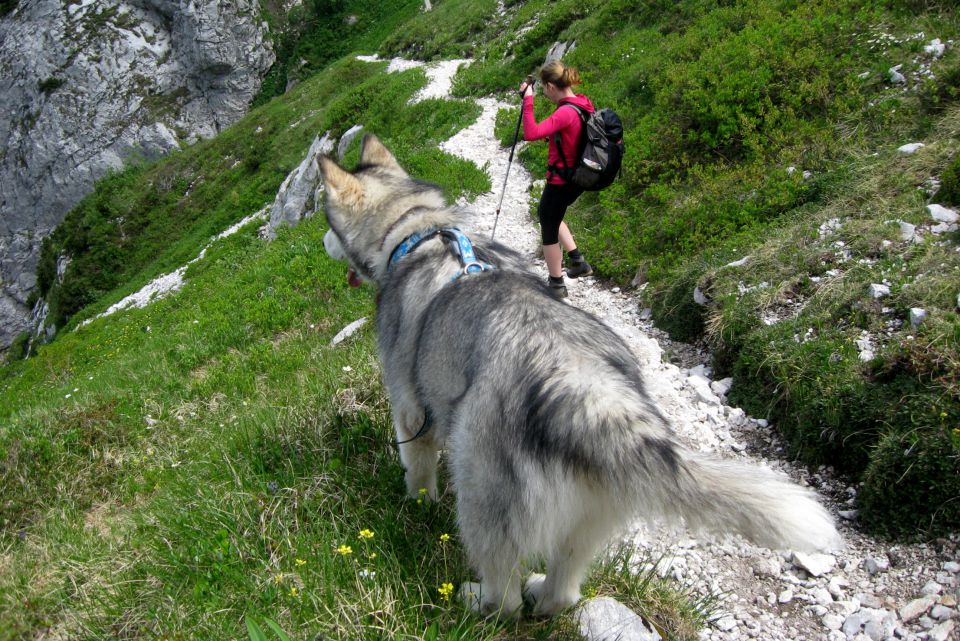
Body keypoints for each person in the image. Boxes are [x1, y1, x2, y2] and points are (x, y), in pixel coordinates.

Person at [519, 60, 595, 298]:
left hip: (562, 179)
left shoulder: (564, 111)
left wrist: (527, 99)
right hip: (579, 176)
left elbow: (530, 133)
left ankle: (556, 284)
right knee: (554, 213)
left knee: (548, 223)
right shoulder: (582, 103)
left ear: (551, 86)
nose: (544, 93)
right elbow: (574, 134)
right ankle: (577, 261)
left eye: (543, 89)